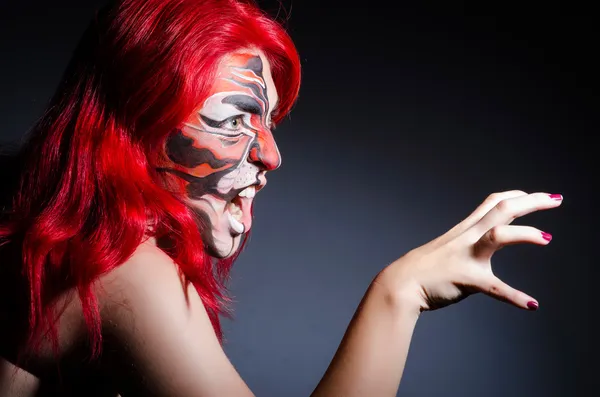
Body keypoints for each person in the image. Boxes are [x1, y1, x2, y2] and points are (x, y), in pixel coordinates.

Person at [0, 0, 563, 396]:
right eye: (237, 119)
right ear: (136, 125)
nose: (271, 155)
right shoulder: (124, 269)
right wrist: (401, 290)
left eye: (268, 122)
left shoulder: (65, 246)